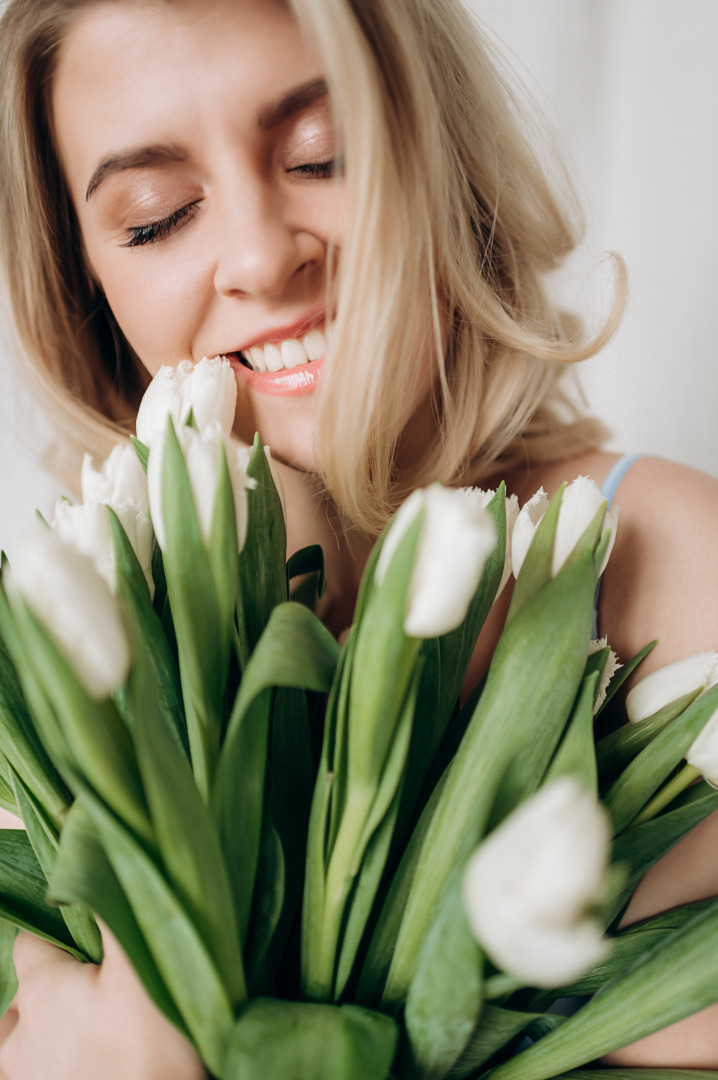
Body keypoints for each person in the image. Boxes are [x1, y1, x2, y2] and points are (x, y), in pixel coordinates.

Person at [0, 0, 717, 1075]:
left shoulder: (661, 560)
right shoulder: (77, 644)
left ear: (441, 154)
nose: (258, 255)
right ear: (86, 284)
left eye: (322, 157)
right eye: (155, 217)